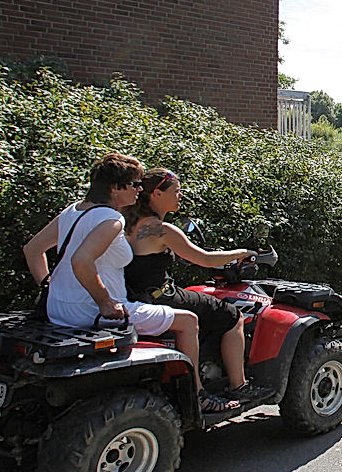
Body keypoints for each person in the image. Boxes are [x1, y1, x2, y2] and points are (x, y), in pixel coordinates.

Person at [23, 153, 239, 413]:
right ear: (115, 188)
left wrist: (49, 289)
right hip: (93, 313)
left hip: (57, 310)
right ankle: (197, 394)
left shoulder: (73, 211)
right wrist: (105, 302)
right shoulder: (111, 220)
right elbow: (81, 261)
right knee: (188, 321)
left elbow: (32, 249)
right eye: (135, 184)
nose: (140, 189)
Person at [123, 168, 265, 401]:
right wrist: (241, 253)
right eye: (176, 191)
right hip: (162, 296)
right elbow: (206, 260)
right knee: (232, 316)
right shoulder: (161, 230)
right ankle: (238, 386)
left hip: (134, 296)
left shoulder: (128, 222)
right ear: (157, 194)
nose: (181, 195)